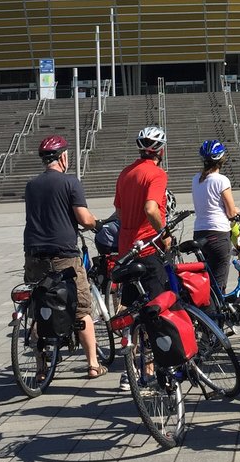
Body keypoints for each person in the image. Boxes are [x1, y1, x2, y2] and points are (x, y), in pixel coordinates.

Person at [23, 135, 105, 378]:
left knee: (39, 306)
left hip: (34, 255)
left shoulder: (31, 186)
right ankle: (92, 364)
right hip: (64, 257)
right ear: (63, 157)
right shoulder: (70, 183)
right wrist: (96, 224)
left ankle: (40, 369)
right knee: (81, 308)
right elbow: (84, 219)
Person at [112, 125, 171, 307]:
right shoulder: (157, 174)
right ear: (160, 150)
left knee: (133, 309)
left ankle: (132, 337)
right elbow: (151, 209)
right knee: (157, 307)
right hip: (148, 248)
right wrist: (164, 233)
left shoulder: (125, 173)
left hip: (126, 251)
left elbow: (120, 213)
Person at [192, 139, 239, 295]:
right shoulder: (221, 180)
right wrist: (237, 212)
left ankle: (205, 314)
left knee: (206, 281)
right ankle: (217, 316)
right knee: (218, 284)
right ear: (222, 159)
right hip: (218, 234)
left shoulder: (196, 179)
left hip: (199, 233)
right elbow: (231, 212)